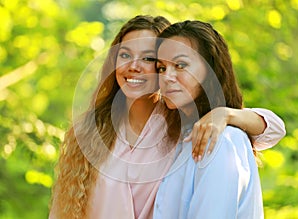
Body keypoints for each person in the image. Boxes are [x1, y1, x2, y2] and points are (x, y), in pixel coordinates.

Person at [49, 15, 285, 219]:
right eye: (125, 55)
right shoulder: (91, 131)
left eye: (149, 59)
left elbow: (273, 129)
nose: (134, 66)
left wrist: (225, 113)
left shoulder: (182, 124)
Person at [153, 20, 271, 218]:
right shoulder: (180, 135)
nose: (167, 77)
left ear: (211, 69)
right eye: (161, 68)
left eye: (180, 65)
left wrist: (226, 114)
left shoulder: (221, 139)